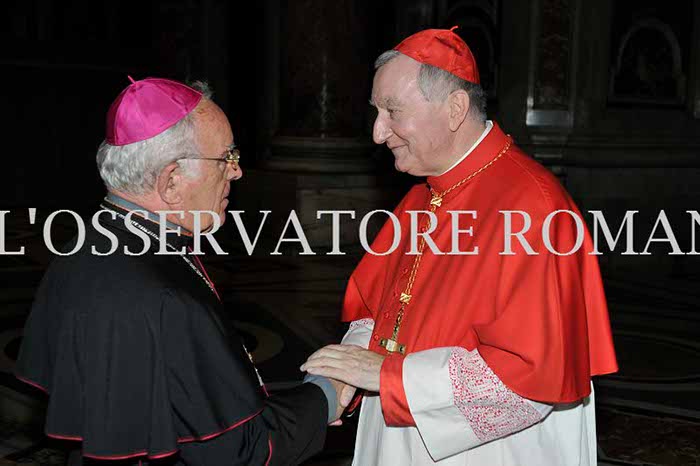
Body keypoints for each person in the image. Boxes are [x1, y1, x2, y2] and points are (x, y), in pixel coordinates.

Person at [301, 28, 618, 465]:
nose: (377, 132)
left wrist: (390, 376)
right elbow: (377, 311)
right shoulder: (421, 194)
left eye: (393, 111)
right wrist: (345, 372)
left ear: (454, 109)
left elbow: (528, 385)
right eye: (376, 112)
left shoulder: (535, 208)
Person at [16, 77, 349, 465]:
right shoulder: (165, 297)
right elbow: (240, 451)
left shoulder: (84, 245)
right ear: (171, 181)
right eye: (226, 158)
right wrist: (326, 394)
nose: (237, 172)